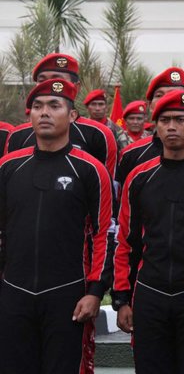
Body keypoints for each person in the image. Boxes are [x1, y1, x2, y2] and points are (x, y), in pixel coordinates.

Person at [0, 79, 114, 373]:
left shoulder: (91, 169)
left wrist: (94, 291)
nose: (44, 113)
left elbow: (103, 234)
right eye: (37, 107)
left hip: (68, 295)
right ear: (29, 115)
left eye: (54, 105)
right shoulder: (9, 166)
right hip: (14, 292)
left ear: (73, 115)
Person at [112, 90, 184, 374]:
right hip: (151, 292)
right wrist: (121, 298)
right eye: (164, 120)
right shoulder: (139, 178)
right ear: (156, 126)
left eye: (180, 119)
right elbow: (125, 241)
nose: (172, 126)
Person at [6, 53, 118, 178]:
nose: (48, 86)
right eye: (42, 81)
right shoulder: (18, 136)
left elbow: (106, 187)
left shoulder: (100, 135)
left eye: (57, 81)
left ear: (76, 87)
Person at [115, 67, 184, 187]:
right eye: (160, 95)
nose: (167, 100)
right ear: (150, 106)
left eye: (175, 95)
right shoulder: (131, 154)